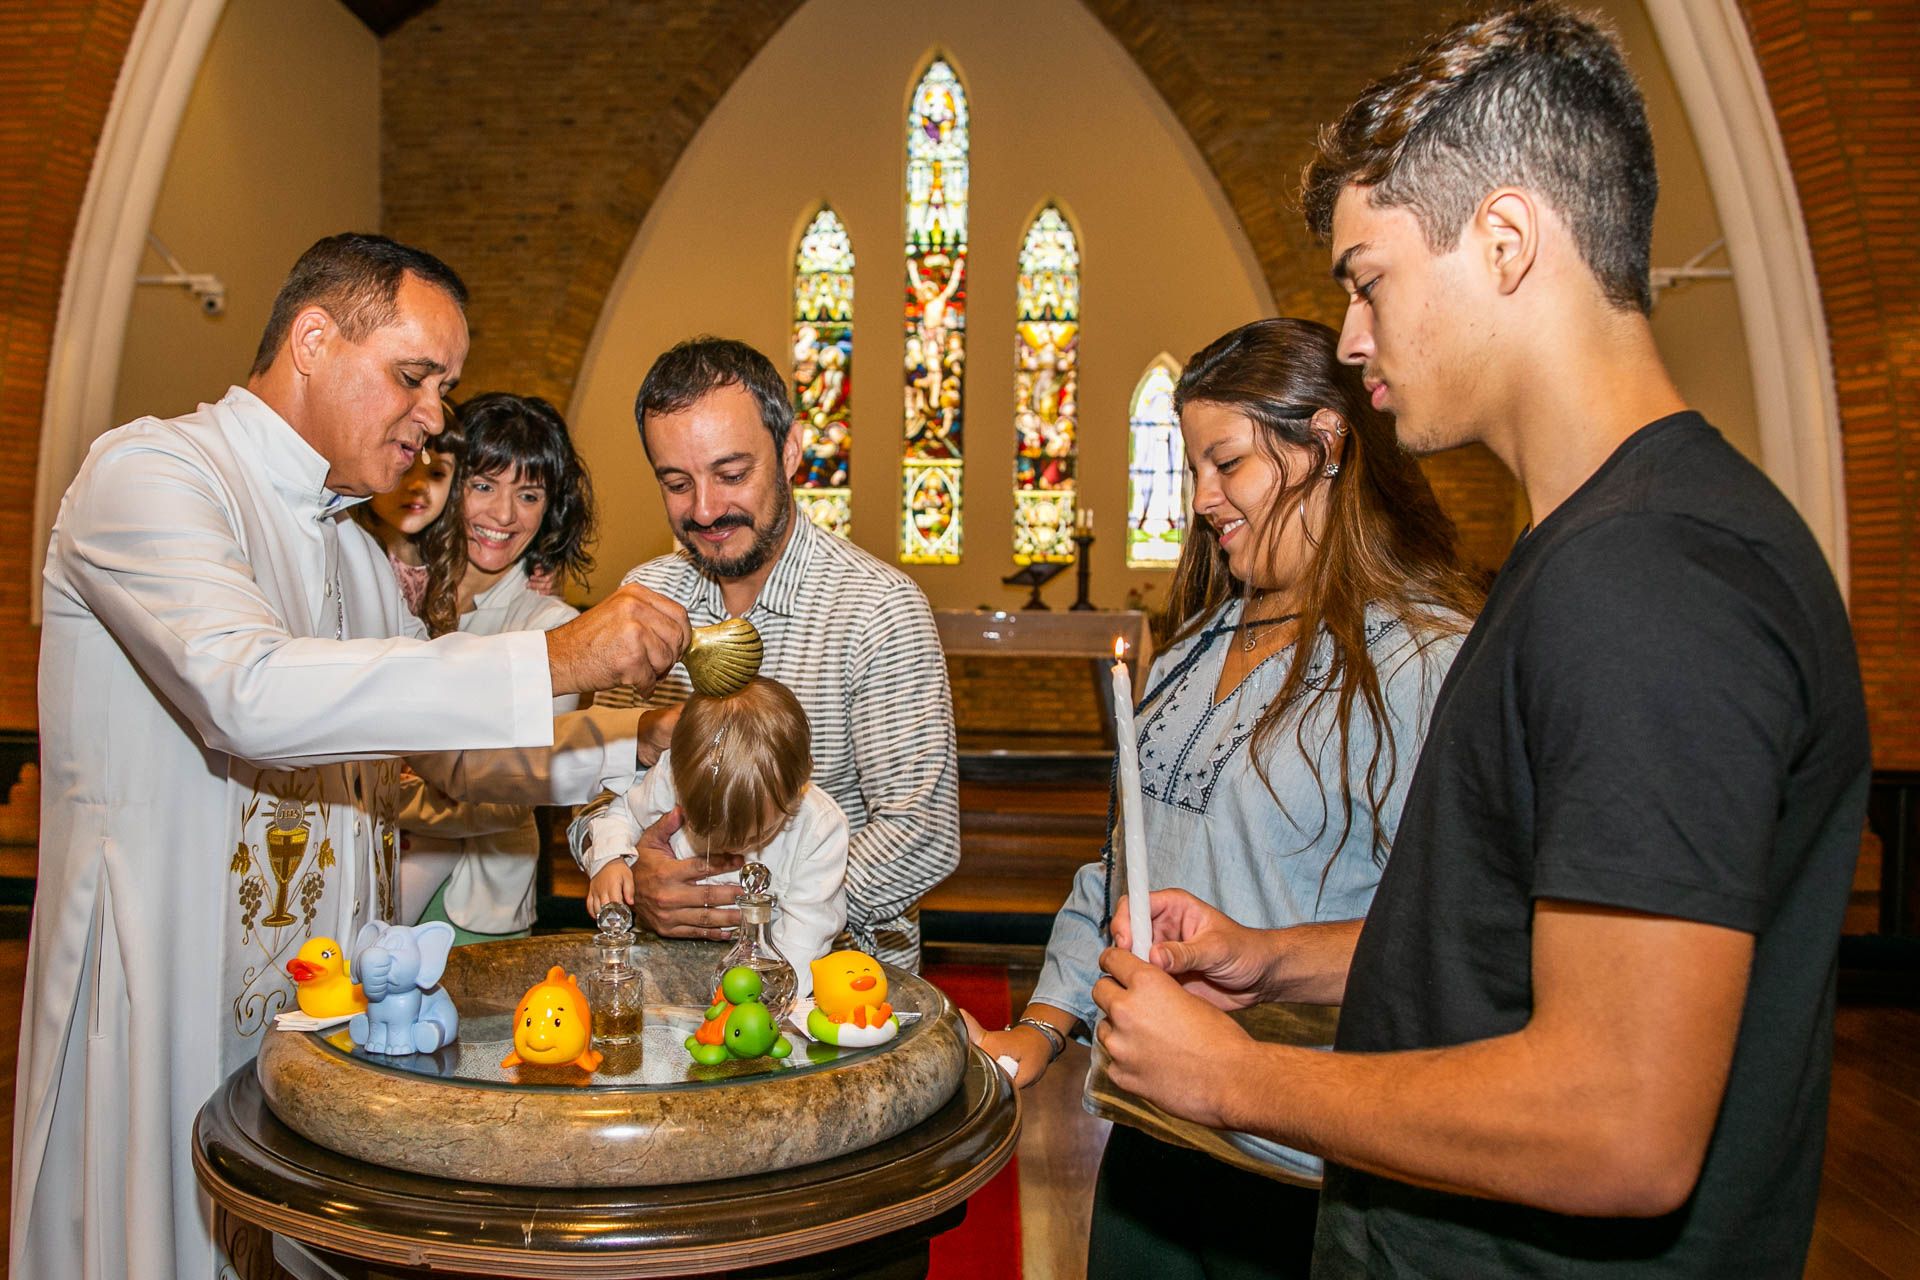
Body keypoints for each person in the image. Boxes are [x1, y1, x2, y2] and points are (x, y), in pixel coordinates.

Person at [1091, 8, 1870, 1278]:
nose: (1352, 336)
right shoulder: (1593, 550)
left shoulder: (1648, 581)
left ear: (1505, 241)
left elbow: (1619, 1122)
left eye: (1368, 279)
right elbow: (1510, 948)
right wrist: (1273, 959)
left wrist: (1237, 1078)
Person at [15, 232, 691, 1280]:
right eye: (414, 376)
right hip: (170, 983)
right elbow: (246, 693)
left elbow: (450, 759)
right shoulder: (152, 475)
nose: (436, 416)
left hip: (321, 1012)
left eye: (445, 388)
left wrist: (631, 740)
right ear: (313, 339)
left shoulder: (356, 557)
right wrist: (560, 656)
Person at [977, 317, 1477, 1278]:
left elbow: (1455, 936)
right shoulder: (1195, 647)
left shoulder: (1427, 659)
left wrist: (1273, 962)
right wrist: (1042, 1026)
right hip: (1151, 1135)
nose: (1202, 499)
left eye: (1228, 463)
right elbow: (1123, 869)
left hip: (1301, 1165)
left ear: (1325, 442)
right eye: (1194, 468)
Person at [582, 337, 959, 973]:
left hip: (832, 983)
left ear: (789, 451)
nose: (705, 509)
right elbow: (597, 793)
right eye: (677, 483)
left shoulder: (877, 608)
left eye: (731, 475)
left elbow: (920, 835)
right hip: (665, 977)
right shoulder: (642, 601)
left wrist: (754, 913)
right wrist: (629, 871)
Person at [396, 392, 607, 943]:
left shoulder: (552, 627)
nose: (505, 515)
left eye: (529, 494)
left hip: (474, 907)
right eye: (484, 485)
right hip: (366, 872)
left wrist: (378, 790)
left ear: (550, 509)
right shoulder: (396, 588)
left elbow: (505, 797)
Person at [580, 677, 849, 998]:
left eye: (756, 835)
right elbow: (623, 811)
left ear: (798, 786)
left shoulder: (819, 828)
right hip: (661, 962)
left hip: (758, 973)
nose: (730, 847)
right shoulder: (670, 778)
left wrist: (765, 995)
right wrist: (610, 859)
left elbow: (806, 934)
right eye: (707, 829)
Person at [349, 404, 458, 614]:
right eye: (404, 469)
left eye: (436, 473)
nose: (418, 485)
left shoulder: (445, 558)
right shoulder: (354, 558)